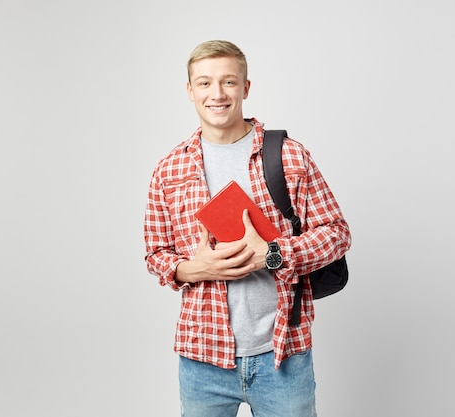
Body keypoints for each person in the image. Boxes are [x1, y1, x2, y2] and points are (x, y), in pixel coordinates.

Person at [143, 39, 351, 417]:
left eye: (228, 82)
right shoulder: (169, 169)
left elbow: (337, 233)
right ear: (190, 91)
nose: (217, 93)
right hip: (202, 358)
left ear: (245, 88)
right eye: (204, 83)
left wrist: (272, 255)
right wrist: (193, 268)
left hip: (282, 357)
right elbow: (156, 254)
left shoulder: (288, 155)